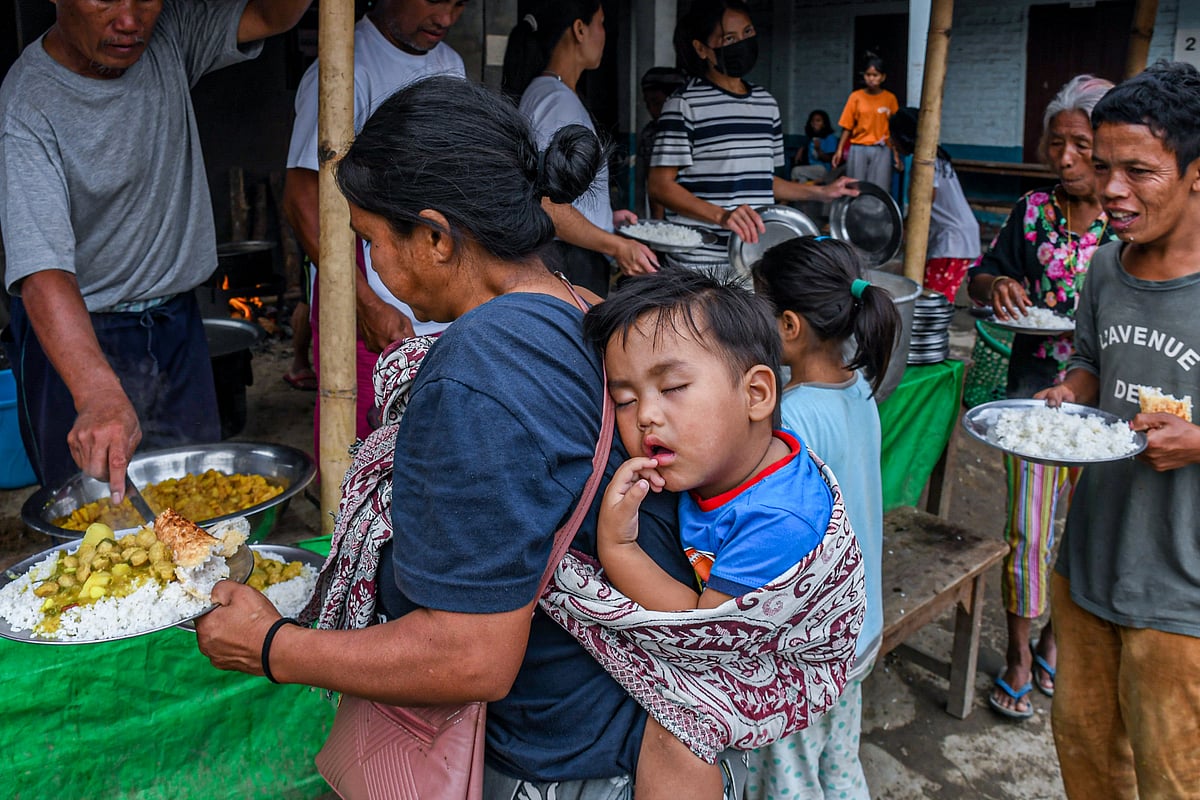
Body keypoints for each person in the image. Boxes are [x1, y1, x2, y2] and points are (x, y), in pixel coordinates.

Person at [197, 75, 702, 798]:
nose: (377, 269)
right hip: (619, 725)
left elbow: (472, 655)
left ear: (435, 237)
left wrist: (274, 647)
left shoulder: (476, 372)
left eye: (374, 242)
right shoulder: (585, 308)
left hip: (554, 760)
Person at [0, 0, 311, 498]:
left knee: (197, 501)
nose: (129, 22)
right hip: (77, 337)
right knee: (92, 513)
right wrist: (97, 391)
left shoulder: (169, 36)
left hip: (176, 325)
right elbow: (43, 272)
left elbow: (275, 15)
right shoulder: (28, 102)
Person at [584, 268, 838, 798]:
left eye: (673, 387)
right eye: (625, 400)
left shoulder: (774, 519)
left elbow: (704, 632)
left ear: (757, 394)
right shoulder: (728, 461)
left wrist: (618, 547)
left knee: (679, 734)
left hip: (779, 666)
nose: (647, 416)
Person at [1036, 60, 1200, 799]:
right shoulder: (1104, 267)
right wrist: (1069, 394)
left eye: (1139, 171)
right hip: (1091, 563)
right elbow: (1090, 363)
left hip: (1183, 592)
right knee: (1087, 758)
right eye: (1104, 168)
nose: (1110, 190)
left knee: (1174, 778)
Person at [966, 74, 1116, 721]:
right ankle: (1022, 653)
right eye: (1057, 143)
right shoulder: (1030, 213)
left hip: (1105, 411)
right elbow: (980, 277)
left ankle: (1059, 638)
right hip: (1033, 400)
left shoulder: (1127, 221)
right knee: (1027, 532)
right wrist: (996, 283)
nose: (1065, 157)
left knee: (1084, 532)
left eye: (1080, 144)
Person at [745, 237, 898, 800]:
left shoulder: (793, 420)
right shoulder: (857, 389)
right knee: (837, 765)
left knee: (791, 782)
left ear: (788, 325)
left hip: (811, 650)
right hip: (859, 629)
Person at [283, 0, 468, 439]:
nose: (446, 19)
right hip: (373, 301)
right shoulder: (346, 68)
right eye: (435, 0)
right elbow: (303, 196)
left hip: (441, 297)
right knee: (364, 445)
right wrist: (366, 302)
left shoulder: (451, 64)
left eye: (459, 4)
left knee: (433, 439)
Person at [648, 0, 855, 272]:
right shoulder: (684, 104)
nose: (742, 43)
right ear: (701, 49)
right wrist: (722, 216)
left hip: (755, 256)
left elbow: (761, 180)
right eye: (729, 38)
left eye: (747, 33)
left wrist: (822, 192)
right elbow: (660, 185)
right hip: (702, 262)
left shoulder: (766, 103)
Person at [502, 2, 658, 297]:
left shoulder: (554, 94)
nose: (604, 33)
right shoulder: (556, 102)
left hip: (573, 255)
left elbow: (561, 195)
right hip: (570, 260)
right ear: (579, 29)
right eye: (600, 23)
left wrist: (603, 217)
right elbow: (549, 205)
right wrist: (617, 246)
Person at [888, 106, 981, 302]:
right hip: (958, 236)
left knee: (931, 302)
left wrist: (906, 225)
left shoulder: (927, 163)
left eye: (893, 136)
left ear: (904, 137)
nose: (891, 141)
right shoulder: (936, 158)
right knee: (933, 300)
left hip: (953, 240)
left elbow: (925, 200)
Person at [831, 52, 901, 193]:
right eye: (868, 75)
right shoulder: (856, 97)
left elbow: (894, 129)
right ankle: (855, 214)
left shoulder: (890, 99)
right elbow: (847, 126)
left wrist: (896, 154)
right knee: (856, 187)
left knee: (879, 188)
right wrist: (839, 150)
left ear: (883, 77)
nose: (871, 79)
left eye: (875, 75)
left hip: (882, 149)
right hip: (858, 148)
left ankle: (877, 215)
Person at [637, 67, 687, 220]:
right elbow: (654, 184)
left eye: (657, 103)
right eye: (648, 103)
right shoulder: (651, 134)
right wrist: (657, 222)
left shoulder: (689, 129)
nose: (652, 110)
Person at [791, 110, 840, 183]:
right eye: (812, 121)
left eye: (818, 121)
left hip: (824, 169)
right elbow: (805, 147)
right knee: (801, 178)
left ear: (824, 124)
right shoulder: (812, 138)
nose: (814, 123)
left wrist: (818, 149)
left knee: (796, 171)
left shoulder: (830, 138)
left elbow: (829, 159)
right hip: (812, 168)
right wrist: (801, 149)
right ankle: (803, 192)